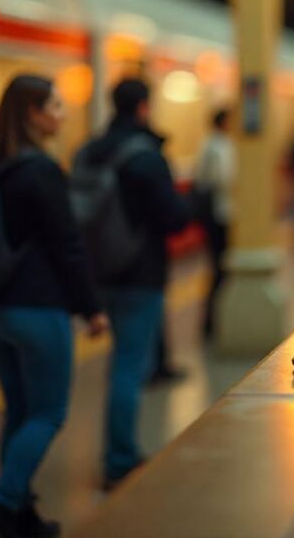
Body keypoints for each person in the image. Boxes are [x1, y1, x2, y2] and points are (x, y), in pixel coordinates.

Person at [0, 75, 108, 538]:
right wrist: (91, 308)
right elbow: (68, 245)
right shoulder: (42, 172)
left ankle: (21, 515)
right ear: (33, 113)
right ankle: (1, 505)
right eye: (56, 105)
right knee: (48, 414)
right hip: (38, 309)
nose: (62, 114)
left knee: (20, 412)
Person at [83, 79, 190, 490]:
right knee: (130, 366)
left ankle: (116, 450)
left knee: (119, 363)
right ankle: (119, 459)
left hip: (99, 271)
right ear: (144, 107)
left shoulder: (89, 150)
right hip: (139, 273)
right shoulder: (145, 155)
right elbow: (174, 217)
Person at [192, 109, 235, 337]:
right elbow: (224, 178)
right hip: (221, 213)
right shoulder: (220, 147)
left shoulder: (207, 145)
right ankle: (213, 320)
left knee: (216, 266)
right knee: (220, 267)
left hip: (213, 214)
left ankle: (212, 318)